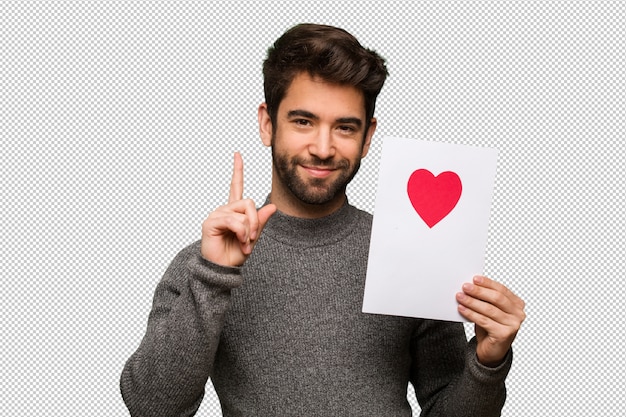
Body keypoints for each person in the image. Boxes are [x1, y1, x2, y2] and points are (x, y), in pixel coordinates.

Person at [120, 23, 526, 417]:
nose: (323, 147)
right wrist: (212, 275)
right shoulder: (207, 264)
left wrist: (488, 361)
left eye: (345, 127)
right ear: (267, 123)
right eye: (303, 121)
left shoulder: (414, 254)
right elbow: (153, 407)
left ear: (367, 136)